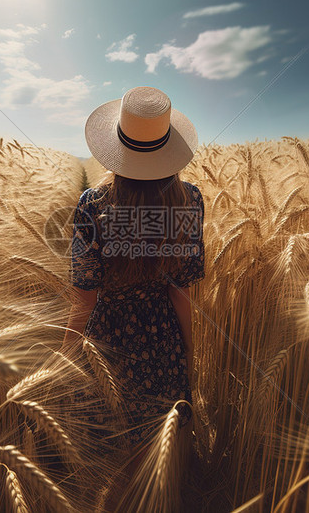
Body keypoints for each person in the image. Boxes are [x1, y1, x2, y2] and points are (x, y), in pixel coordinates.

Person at [62, 86, 205, 483]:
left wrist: (65, 357)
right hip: (164, 338)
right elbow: (181, 289)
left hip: (106, 339)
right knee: (158, 455)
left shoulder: (93, 203)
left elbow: (84, 300)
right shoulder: (189, 200)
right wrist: (188, 348)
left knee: (111, 454)